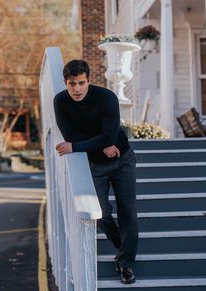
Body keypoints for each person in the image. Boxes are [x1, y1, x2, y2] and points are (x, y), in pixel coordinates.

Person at [53, 59, 138, 284]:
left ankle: (126, 264)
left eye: (81, 83)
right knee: (101, 212)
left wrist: (79, 145)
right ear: (65, 83)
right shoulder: (60, 101)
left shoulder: (106, 97)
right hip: (95, 165)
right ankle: (124, 247)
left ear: (89, 80)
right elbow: (70, 134)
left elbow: (108, 135)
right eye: (72, 84)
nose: (77, 89)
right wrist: (98, 142)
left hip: (121, 159)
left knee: (127, 209)